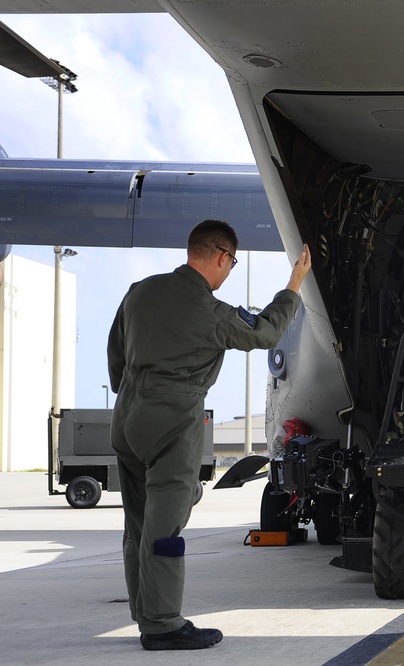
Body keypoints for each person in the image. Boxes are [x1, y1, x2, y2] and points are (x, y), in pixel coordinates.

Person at [107, 219, 311, 651]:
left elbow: (116, 355)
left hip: (127, 416)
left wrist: (134, 396)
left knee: (137, 524)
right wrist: (293, 285)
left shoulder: (139, 290)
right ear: (222, 256)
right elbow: (267, 332)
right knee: (165, 529)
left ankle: (144, 611)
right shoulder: (211, 311)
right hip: (172, 419)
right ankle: (162, 625)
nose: (229, 271)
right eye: (232, 264)